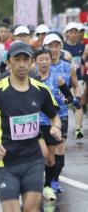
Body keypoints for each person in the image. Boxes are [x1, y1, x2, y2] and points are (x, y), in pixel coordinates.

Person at [0, 41, 62, 212]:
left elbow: (54, 116)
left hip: (33, 160)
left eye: (25, 60)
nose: (21, 64)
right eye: (17, 59)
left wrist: (56, 127)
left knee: (30, 208)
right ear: (8, 62)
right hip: (6, 161)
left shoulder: (40, 90)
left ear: (31, 62)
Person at [34, 48, 74, 200]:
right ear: (36, 62)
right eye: (41, 59)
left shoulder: (57, 78)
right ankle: (36, 184)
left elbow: (69, 97)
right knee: (42, 155)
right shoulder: (32, 80)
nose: (44, 62)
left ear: (51, 60)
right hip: (36, 123)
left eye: (46, 59)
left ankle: (48, 185)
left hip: (52, 124)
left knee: (50, 159)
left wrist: (63, 101)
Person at [63, 22, 85, 139]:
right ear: (66, 34)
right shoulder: (62, 47)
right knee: (64, 105)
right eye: (71, 32)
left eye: (76, 32)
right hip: (65, 81)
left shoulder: (82, 47)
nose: (74, 34)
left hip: (78, 80)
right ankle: (62, 126)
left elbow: (82, 62)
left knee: (78, 103)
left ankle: (77, 128)